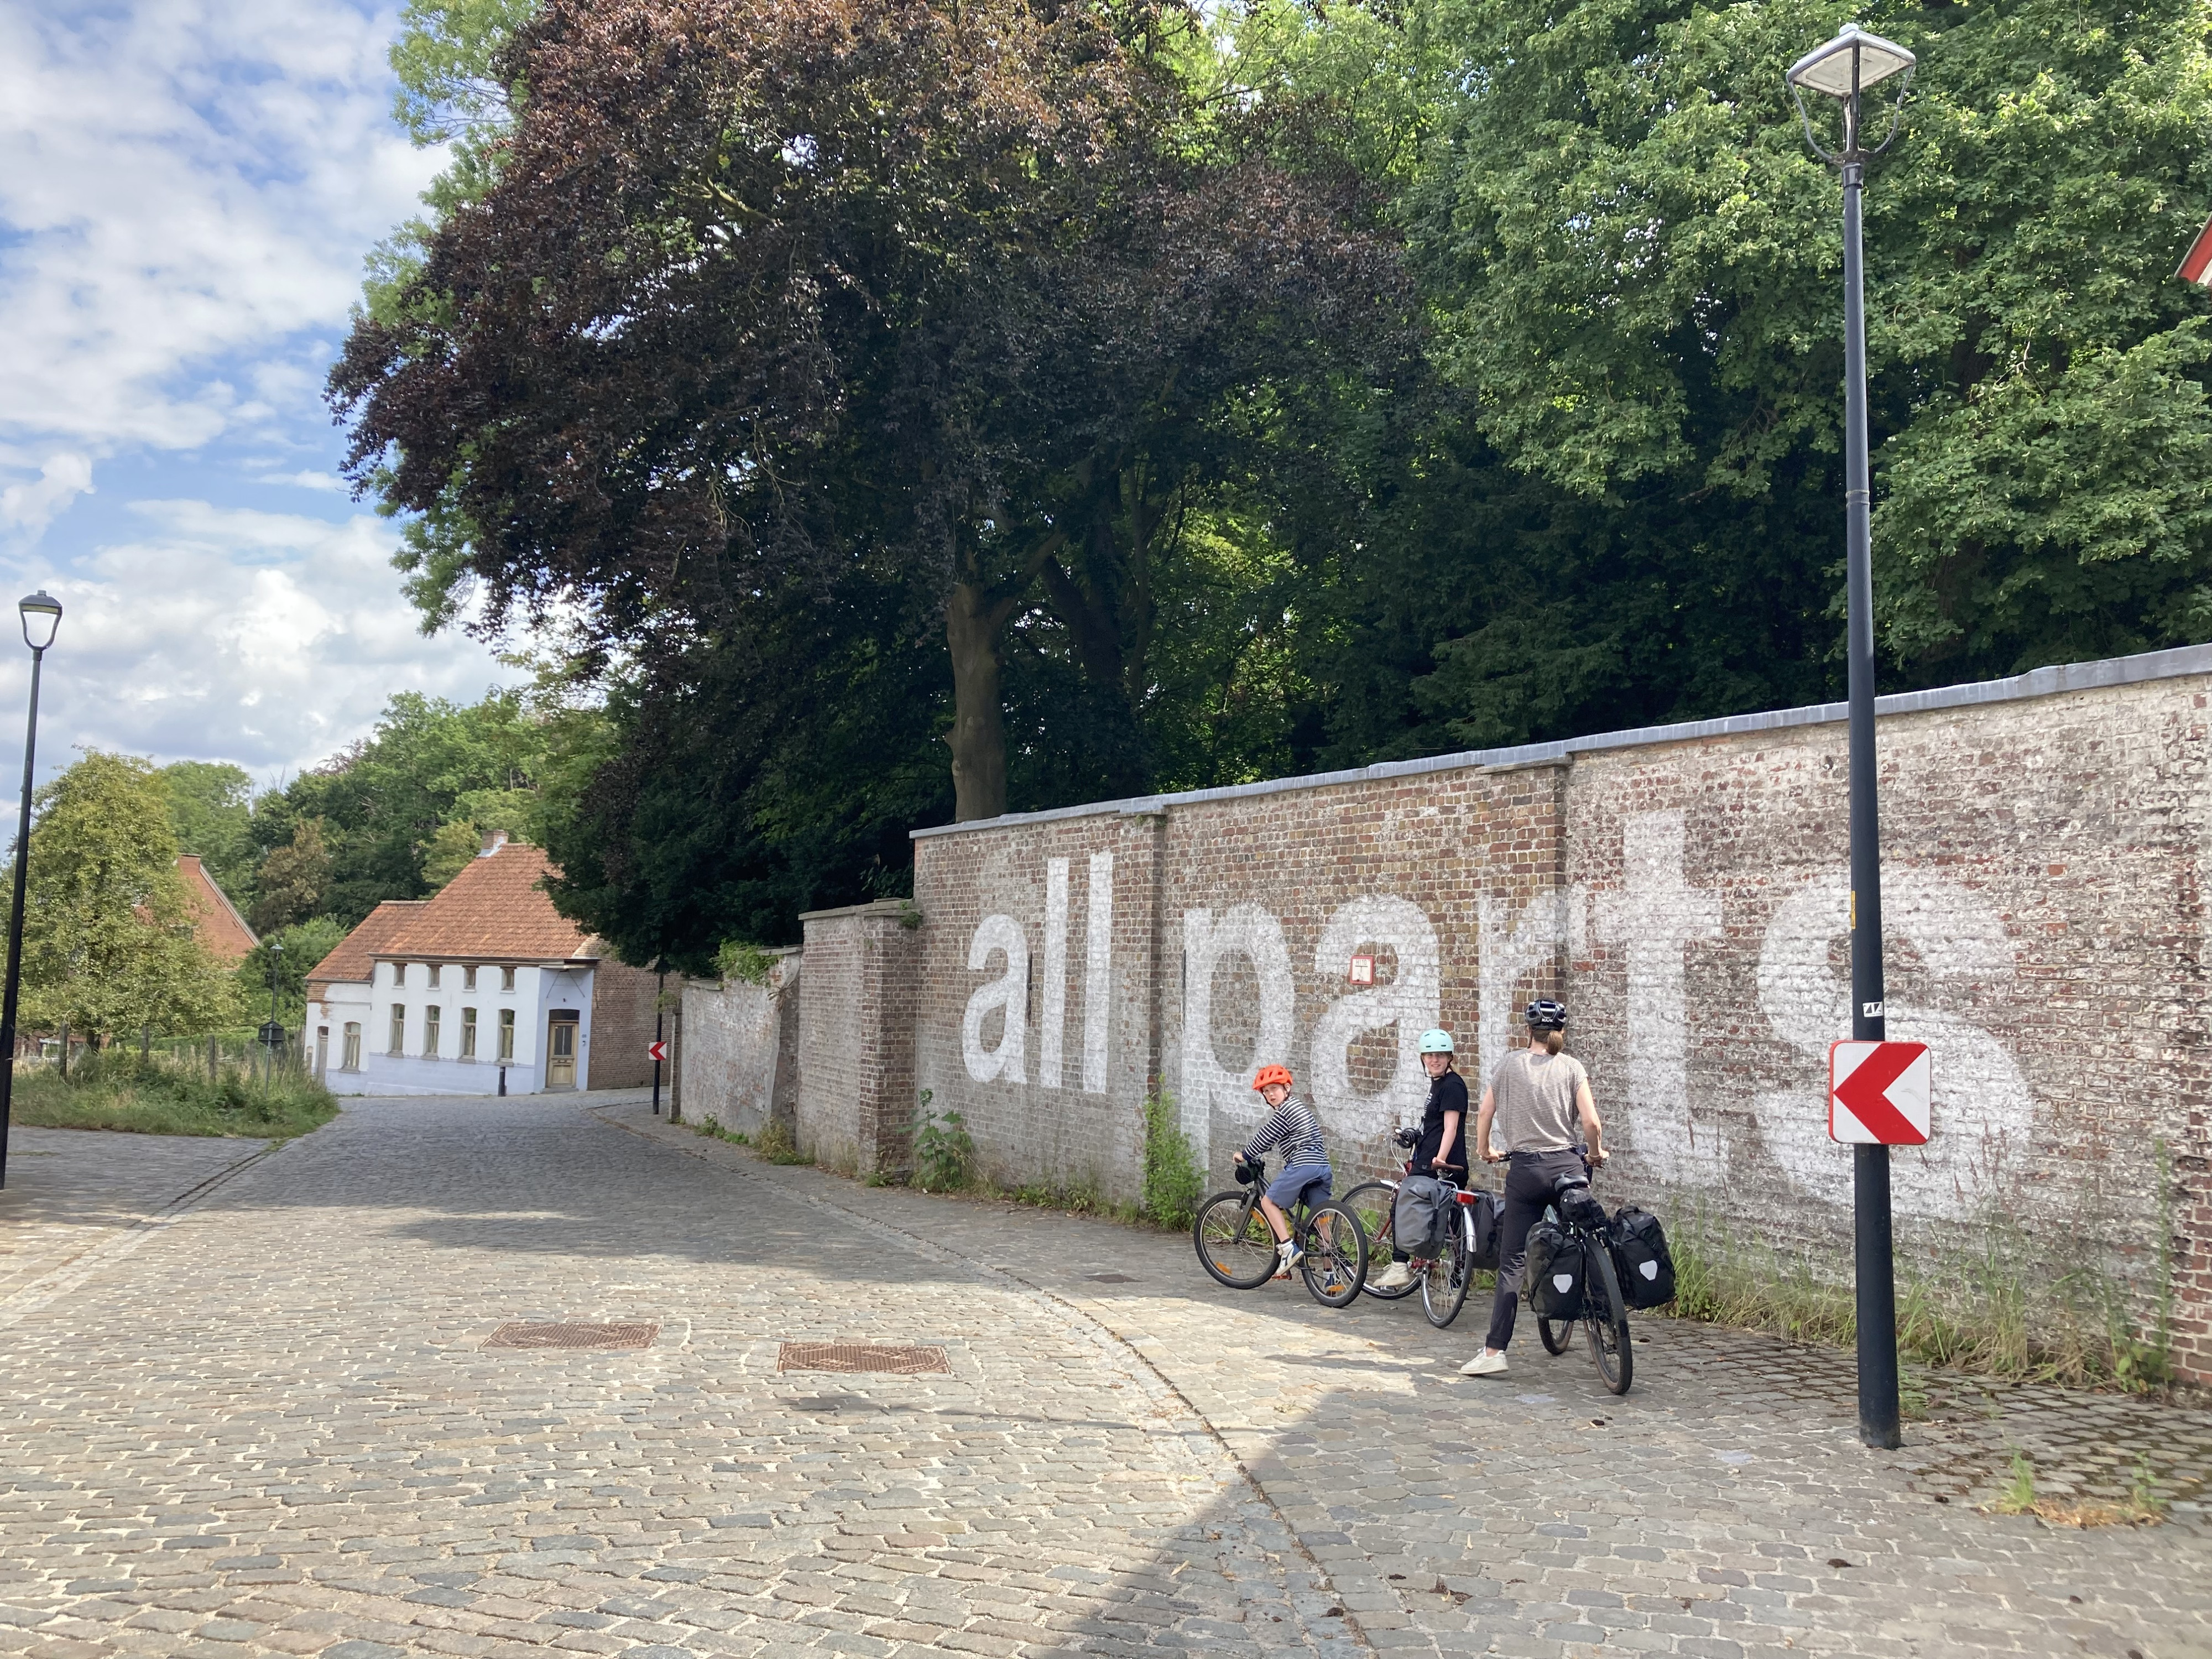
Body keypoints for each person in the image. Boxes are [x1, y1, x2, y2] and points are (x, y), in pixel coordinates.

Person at [1459, 999, 1606, 1376]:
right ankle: (1607, 1316)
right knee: (1590, 1238)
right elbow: (1591, 1123)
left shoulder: (1509, 1065)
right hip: (1568, 1167)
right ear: (1562, 1032)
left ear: (1528, 1031)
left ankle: (1494, 1353)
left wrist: (1484, 1149)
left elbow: (1485, 1112)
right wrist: (1595, 1154)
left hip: (1525, 1171)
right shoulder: (1572, 1067)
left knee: (1512, 1262)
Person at [1370, 1029, 1468, 1291]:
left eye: (1440, 1055)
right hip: (1432, 1159)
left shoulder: (1453, 1086)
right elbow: (1435, 1125)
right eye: (1429, 1055)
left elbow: (1451, 1128)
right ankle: (1453, 1275)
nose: (1434, 1060)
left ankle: (1400, 1265)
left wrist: (1440, 1160)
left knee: (1402, 1203)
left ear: (1449, 1057)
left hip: (1437, 1165)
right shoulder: (1440, 1083)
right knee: (1446, 1221)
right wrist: (1416, 1134)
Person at [1233, 1064, 1332, 1277]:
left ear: (1287, 1088)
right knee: (1320, 1221)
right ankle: (1331, 1278)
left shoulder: (1286, 1110)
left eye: (1274, 1089)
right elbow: (1277, 1137)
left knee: (1268, 1202)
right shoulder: (1299, 1108)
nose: (1270, 1095)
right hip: (1321, 1167)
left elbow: (1266, 1136)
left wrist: (1246, 1154)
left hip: (1303, 1165)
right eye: (1266, 1092)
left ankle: (1288, 1249)